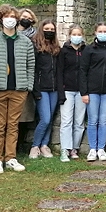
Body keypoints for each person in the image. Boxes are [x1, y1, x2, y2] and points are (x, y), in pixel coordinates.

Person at [0, 4, 35, 174]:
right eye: (7, 16)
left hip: (19, 90)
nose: (10, 19)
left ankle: (11, 158)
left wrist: (28, 86)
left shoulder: (26, 41)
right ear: (0, 19)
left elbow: (31, 65)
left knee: (13, 124)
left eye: (13, 16)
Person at [81, 22, 106, 161]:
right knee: (93, 120)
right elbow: (83, 71)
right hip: (92, 91)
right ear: (95, 33)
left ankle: (101, 149)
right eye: (100, 31)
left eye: (105, 31)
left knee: (103, 120)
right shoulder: (89, 49)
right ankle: (92, 149)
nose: (103, 33)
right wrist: (84, 92)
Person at [30, 19, 65, 159]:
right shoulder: (36, 46)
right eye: (47, 29)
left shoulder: (56, 48)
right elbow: (32, 69)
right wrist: (35, 89)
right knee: (44, 118)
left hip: (54, 88)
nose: (49, 32)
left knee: (50, 119)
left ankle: (44, 145)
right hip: (41, 88)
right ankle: (34, 146)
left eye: (52, 30)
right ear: (41, 29)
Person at [58, 25, 87, 162]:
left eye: (79, 34)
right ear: (69, 35)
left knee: (79, 122)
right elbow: (59, 72)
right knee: (66, 121)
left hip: (81, 91)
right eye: (74, 34)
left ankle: (74, 148)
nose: (76, 36)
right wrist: (61, 92)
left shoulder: (86, 51)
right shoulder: (63, 51)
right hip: (67, 90)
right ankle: (65, 149)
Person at [16, 8, 39, 155]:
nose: (26, 19)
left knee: (25, 116)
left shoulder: (36, 37)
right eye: (24, 16)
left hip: (27, 79)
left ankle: (20, 144)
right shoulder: (9, 33)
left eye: (29, 18)